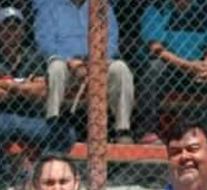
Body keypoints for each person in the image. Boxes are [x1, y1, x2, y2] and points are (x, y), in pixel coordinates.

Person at [0, 6, 74, 188]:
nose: (12, 32)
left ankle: (38, 175)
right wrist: (25, 86)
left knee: (67, 134)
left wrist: (8, 85)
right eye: (7, 27)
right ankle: (4, 182)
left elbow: (42, 91)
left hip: (30, 121)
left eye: (16, 27)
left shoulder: (33, 57)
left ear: (23, 30)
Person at [137, 0, 207, 146]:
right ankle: (148, 131)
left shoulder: (205, 10)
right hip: (171, 67)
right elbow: (157, 49)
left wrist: (204, 67)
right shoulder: (157, 8)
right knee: (153, 68)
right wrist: (188, 66)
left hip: (199, 68)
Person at [33, 0, 136, 143]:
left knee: (120, 68)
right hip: (67, 65)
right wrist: (70, 61)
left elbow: (112, 41)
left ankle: (122, 129)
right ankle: (53, 123)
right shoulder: (50, 6)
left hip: (97, 63)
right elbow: (45, 43)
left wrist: (95, 62)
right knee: (56, 67)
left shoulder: (102, 7)